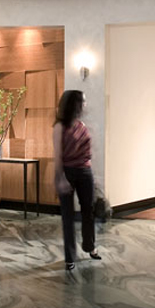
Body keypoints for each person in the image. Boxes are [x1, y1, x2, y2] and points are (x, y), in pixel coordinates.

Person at [53, 89, 101, 271]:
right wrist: (60, 178)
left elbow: (88, 150)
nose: (85, 105)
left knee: (88, 212)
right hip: (67, 172)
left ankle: (90, 247)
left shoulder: (82, 125)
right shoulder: (59, 127)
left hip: (85, 172)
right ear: (75, 104)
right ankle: (69, 257)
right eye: (83, 101)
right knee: (68, 216)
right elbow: (57, 155)